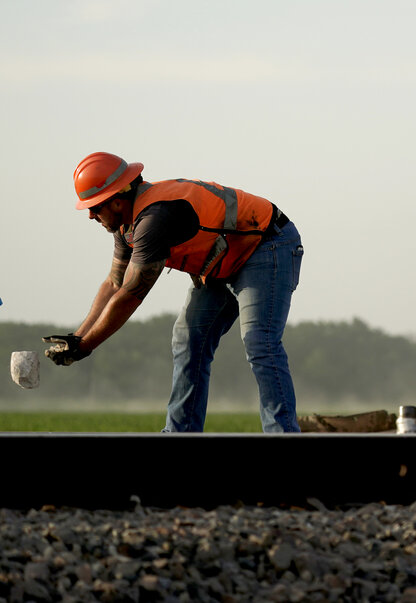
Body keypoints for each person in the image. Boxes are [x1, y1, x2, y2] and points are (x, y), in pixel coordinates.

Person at [47, 152, 303, 433]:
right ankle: (181, 434)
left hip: (267, 244)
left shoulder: (155, 219)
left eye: (95, 207)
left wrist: (85, 347)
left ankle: (283, 433)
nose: (90, 215)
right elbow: (113, 284)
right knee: (187, 339)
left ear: (116, 200)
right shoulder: (126, 226)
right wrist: (78, 337)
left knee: (259, 341)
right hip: (226, 260)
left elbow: (129, 295)